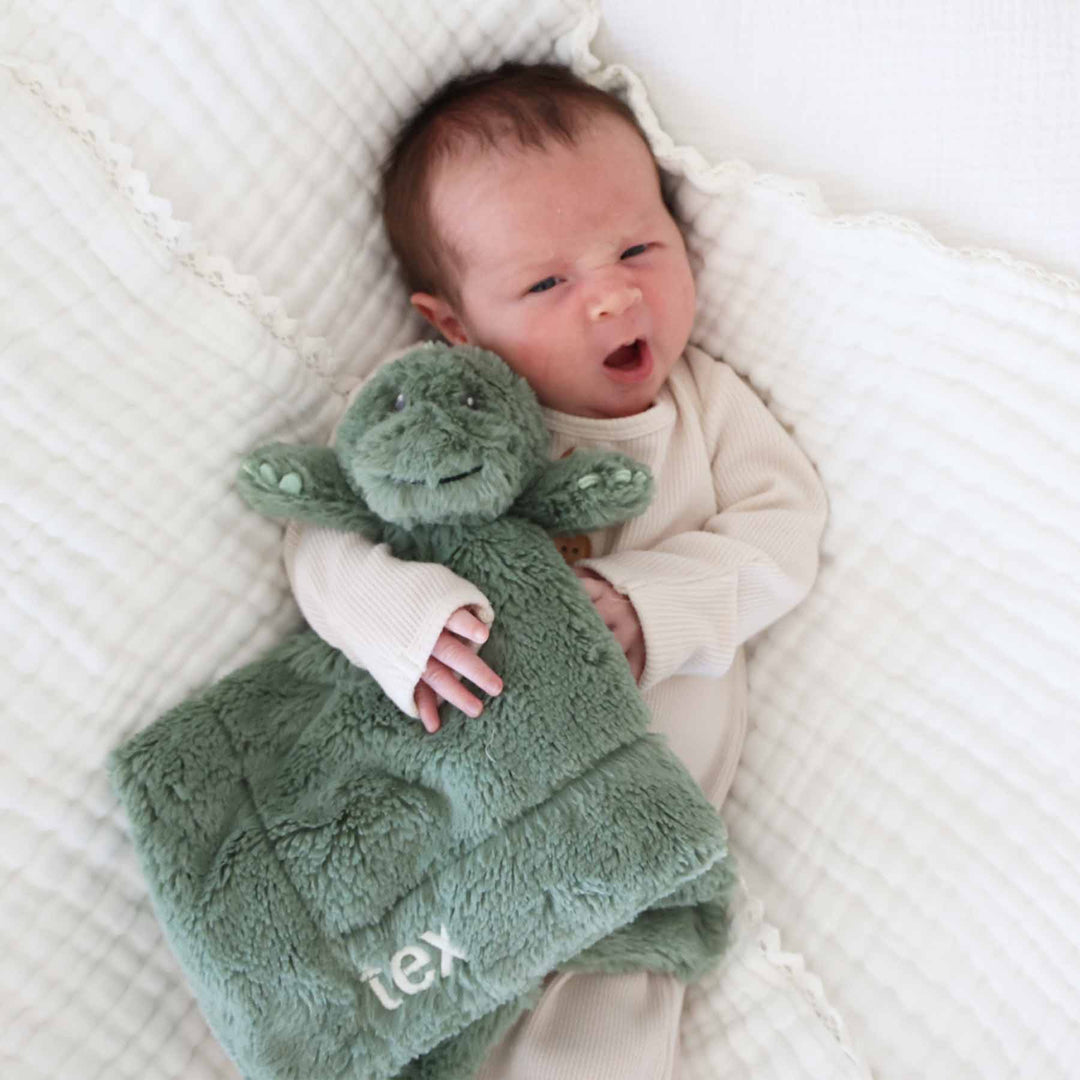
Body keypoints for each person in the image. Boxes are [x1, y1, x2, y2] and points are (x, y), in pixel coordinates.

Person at [284, 61, 828, 1080]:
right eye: (546, 282)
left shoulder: (705, 411)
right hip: (444, 820)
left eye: (637, 246)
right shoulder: (441, 416)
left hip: (626, 848)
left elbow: (784, 535)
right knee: (385, 1009)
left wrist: (649, 602)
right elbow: (319, 541)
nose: (614, 293)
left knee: (609, 1020)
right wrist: (407, 623)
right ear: (453, 323)